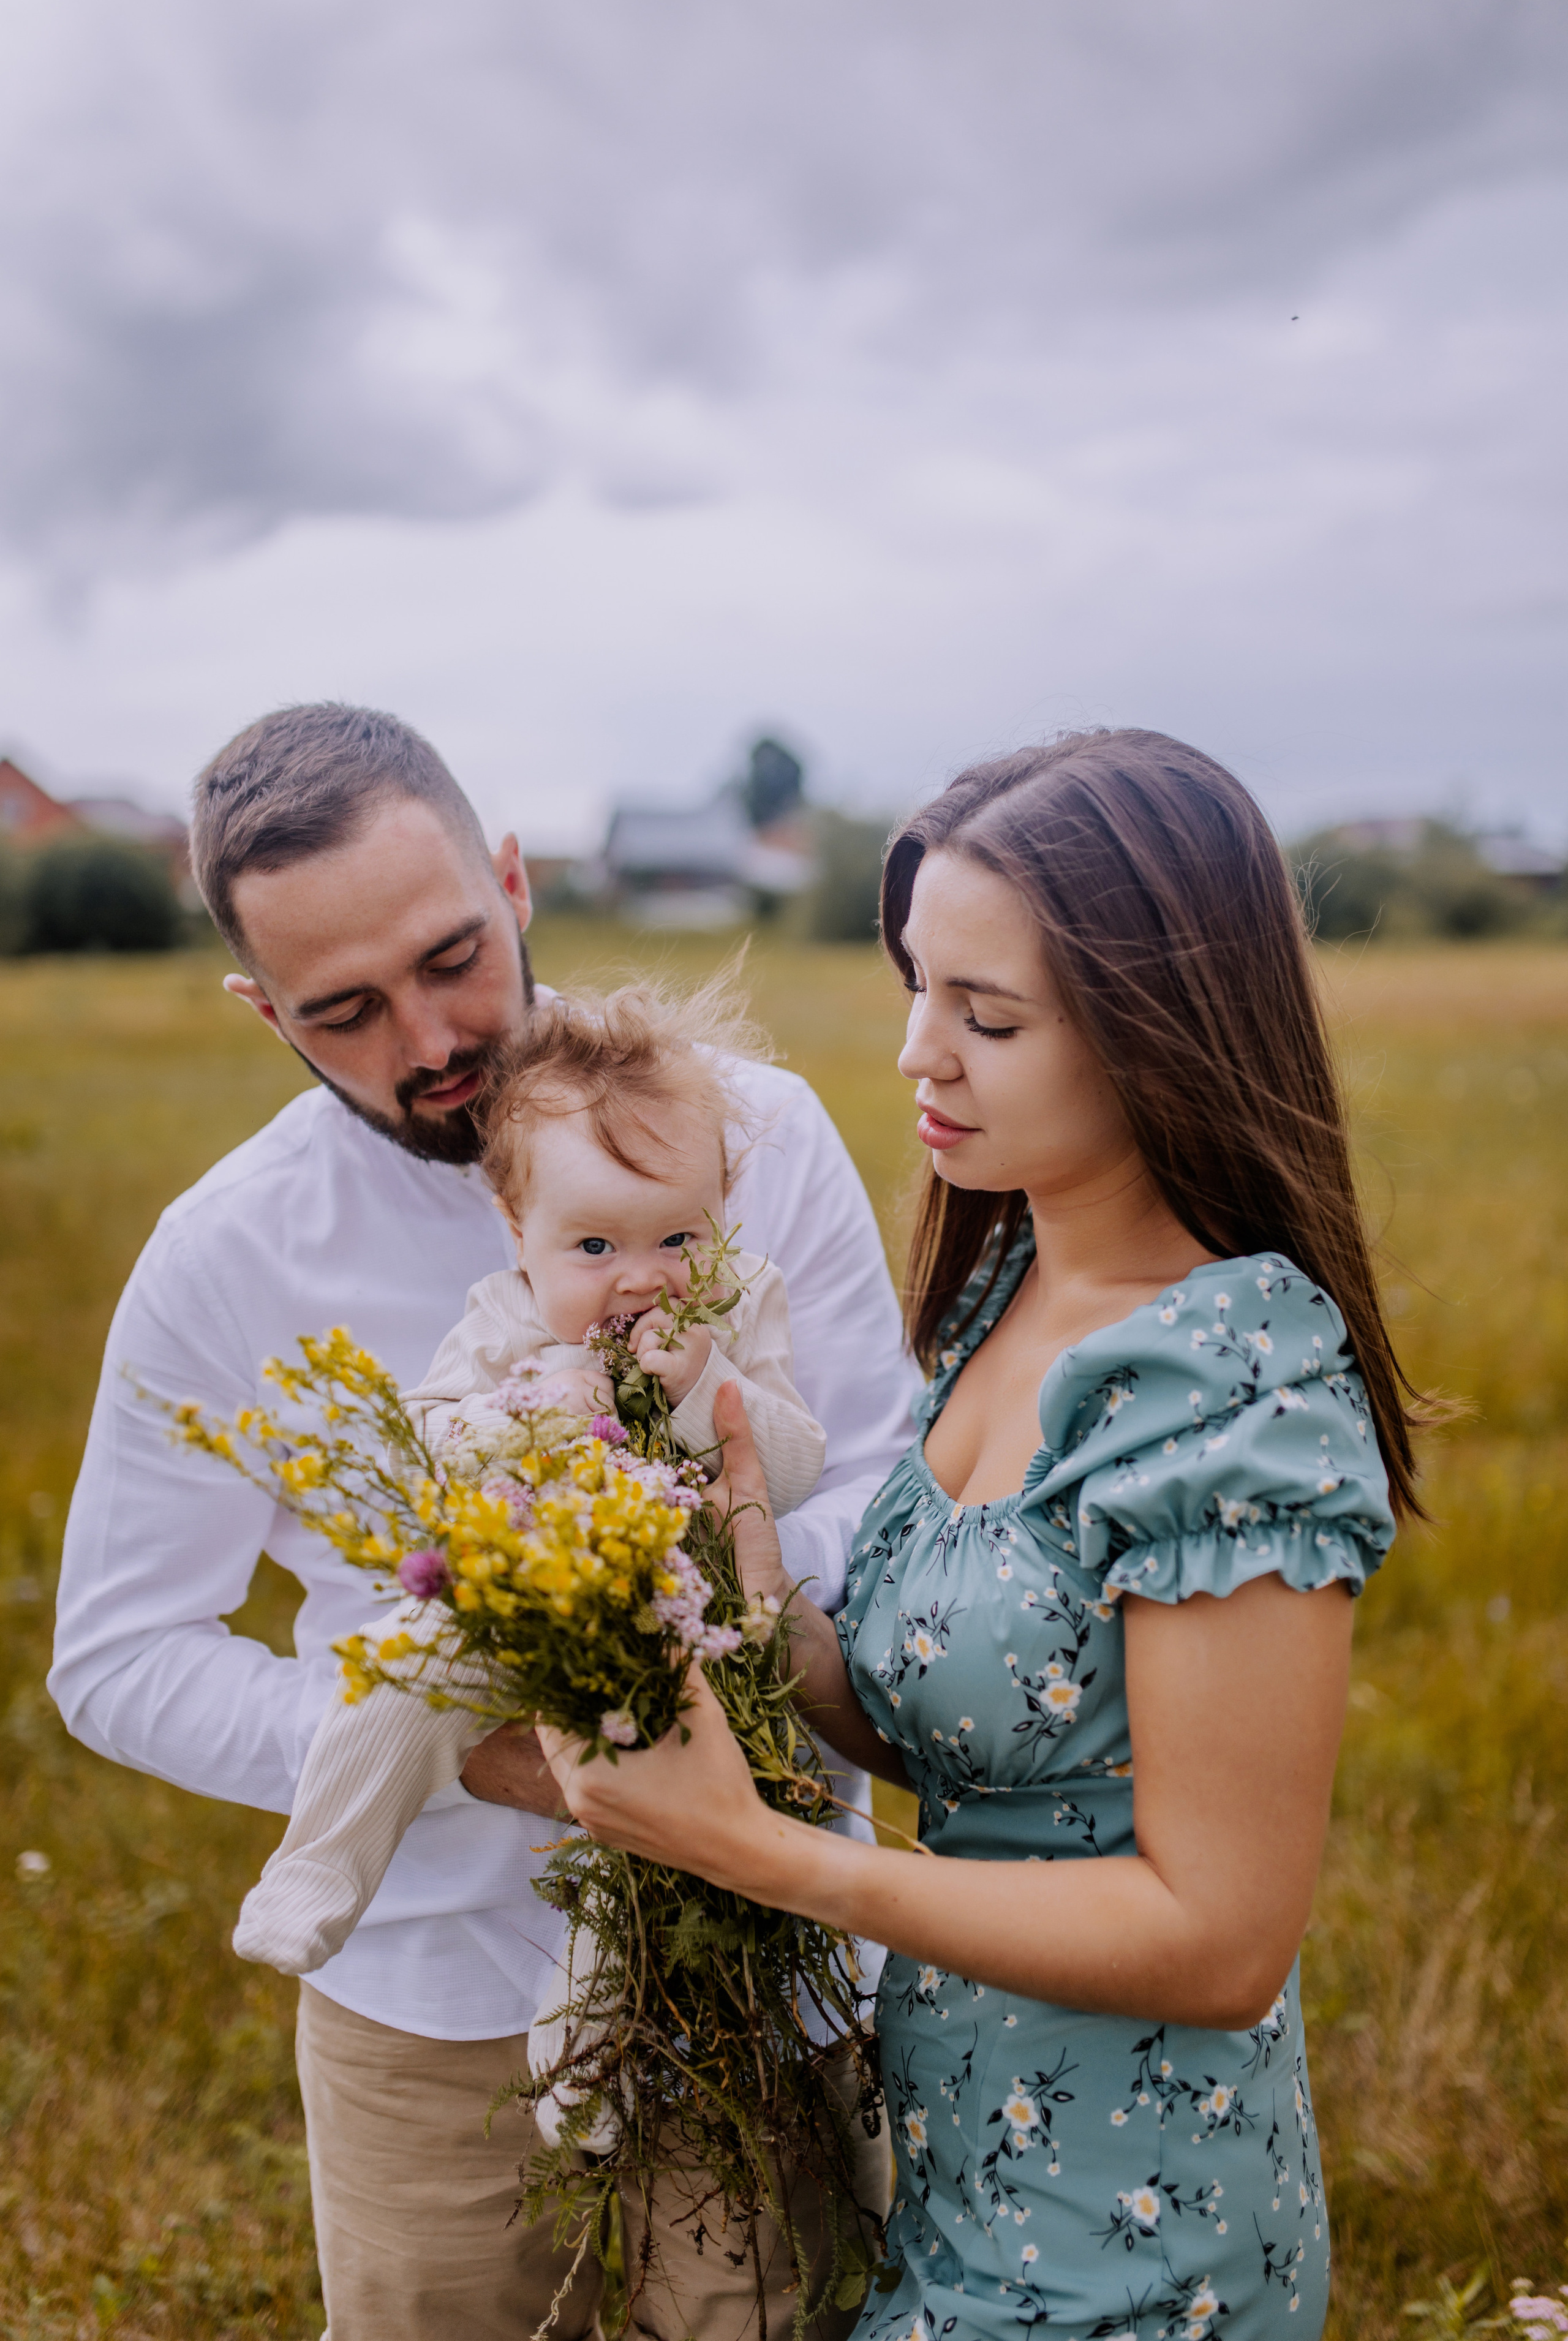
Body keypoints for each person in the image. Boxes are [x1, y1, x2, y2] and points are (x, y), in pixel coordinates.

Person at [48, 703, 920, 2341]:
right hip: (426, 2025)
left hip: (775, 1969)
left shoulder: (761, 1132)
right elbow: (115, 1660)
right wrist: (480, 1739)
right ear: (263, 1010)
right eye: (347, 1010)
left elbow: (878, 1485)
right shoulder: (226, 1254)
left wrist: (692, 1645)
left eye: (454, 954)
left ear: (513, 880)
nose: (433, 1035)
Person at [535, 729, 1417, 2341]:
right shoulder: (1008, 1291)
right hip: (950, 2175)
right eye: (916, 987)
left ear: (1162, 1029)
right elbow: (979, 1735)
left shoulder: (1237, 1389)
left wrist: (769, 1856)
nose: (917, 1057)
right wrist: (726, 1592)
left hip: (1134, 2229)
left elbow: (1218, 1938)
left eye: (987, 1015)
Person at [233, 975, 829, 1981]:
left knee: (641, 1852)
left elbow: (798, 1465)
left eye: (678, 1237)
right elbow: (418, 1451)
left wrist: (709, 1384)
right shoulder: (506, 1316)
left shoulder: (739, 1303)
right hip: (525, 1596)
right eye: (594, 1246)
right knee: (401, 1668)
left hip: (685, 1615)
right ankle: (318, 1870)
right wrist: (514, 1415)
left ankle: (591, 2053)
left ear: (723, 1207)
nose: (642, 1276)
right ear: (520, 1232)